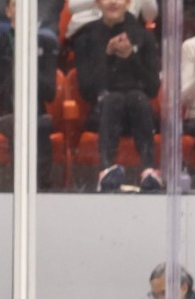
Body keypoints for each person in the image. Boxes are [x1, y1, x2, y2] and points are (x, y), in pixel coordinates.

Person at [73, 0, 160, 193]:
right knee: (114, 99)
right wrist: (107, 55)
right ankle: (105, 171)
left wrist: (131, 56)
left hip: (139, 113)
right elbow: (86, 89)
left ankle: (149, 171)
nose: (113, 2)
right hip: (102, 113)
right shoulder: (85, 37)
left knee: (136, 98)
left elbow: (153, 87)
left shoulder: (143, 36)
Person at [0, 0, 57, 190]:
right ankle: (18, 190)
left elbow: (50, 93)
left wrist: (29, 64)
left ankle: (40, 190)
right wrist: (17, 63)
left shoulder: (46, 45)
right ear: (8, 11)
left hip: (38, 114)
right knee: (19, 125)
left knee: (37, 126)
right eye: (17, 4)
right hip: (7, 113)